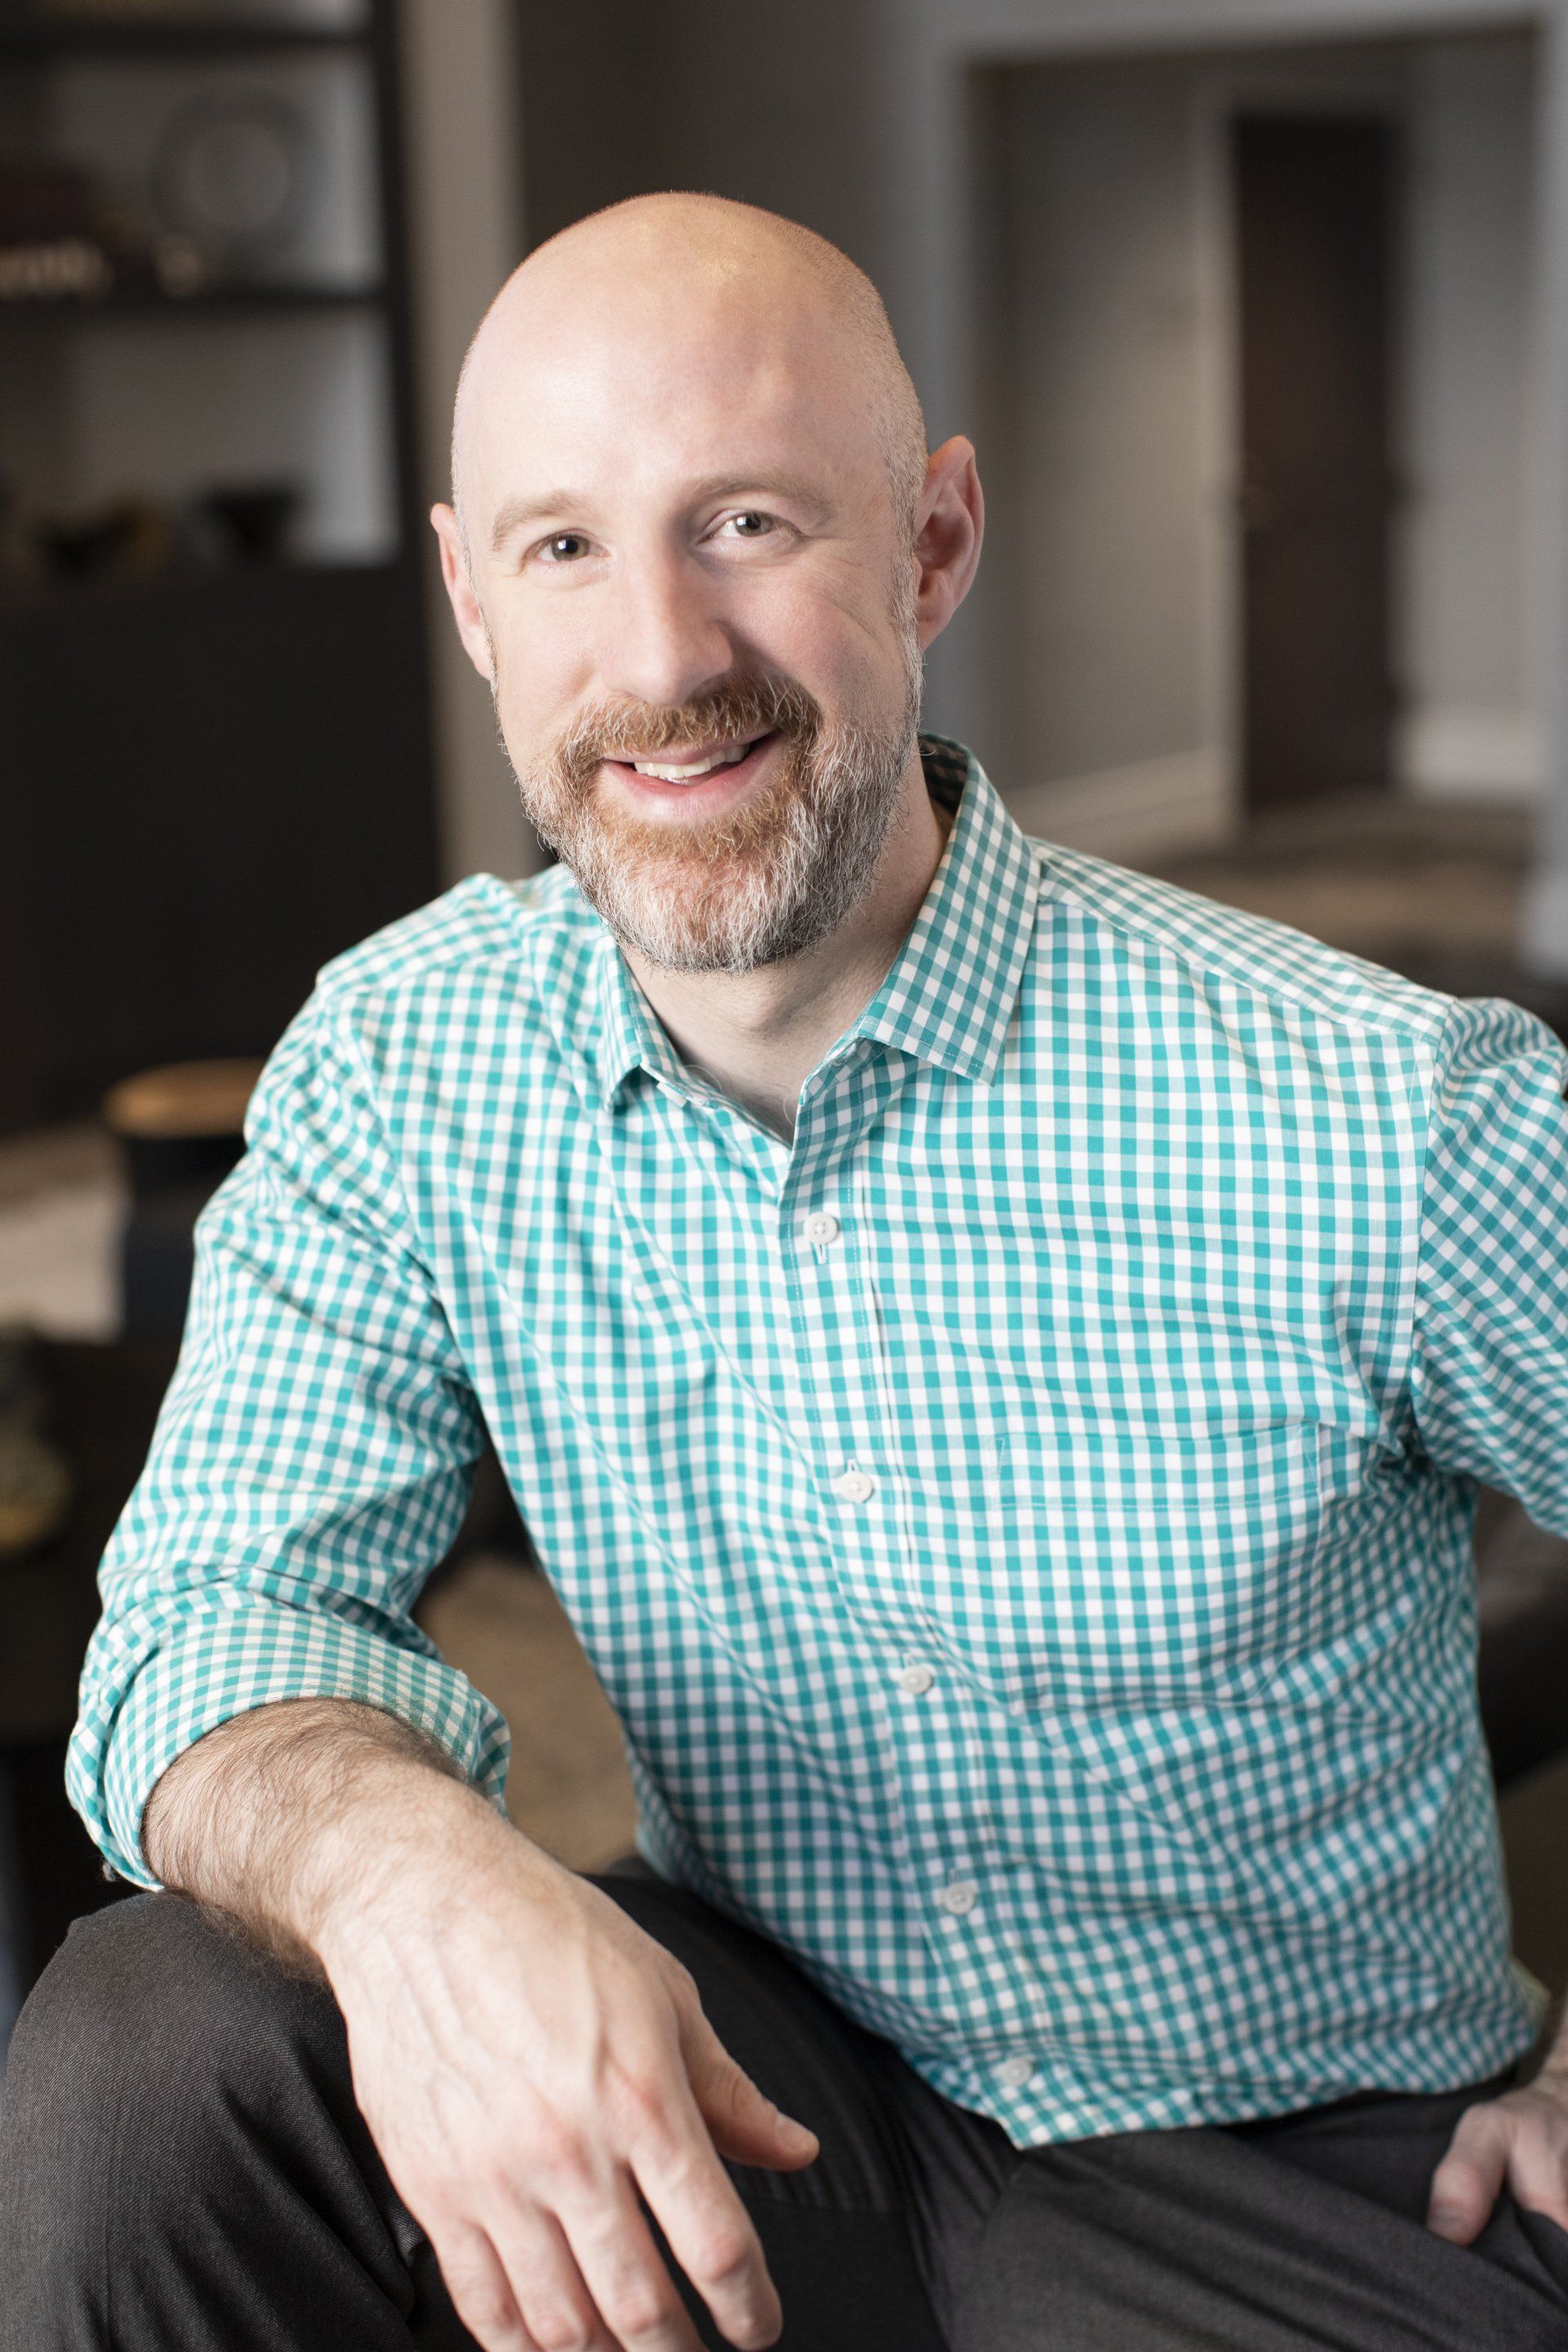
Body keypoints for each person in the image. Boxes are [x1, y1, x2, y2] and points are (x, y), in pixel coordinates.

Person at [2, 193, 1568, 2352]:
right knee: (155, 2053)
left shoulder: (1380, 1110)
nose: (658, 658)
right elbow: (199, 1616)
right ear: (469, 594)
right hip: (762, 2082)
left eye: (743, 522)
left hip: (1292, 2167)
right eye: (563, 548)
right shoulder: (412, 1060)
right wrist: (412, 1876)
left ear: (931, 546)